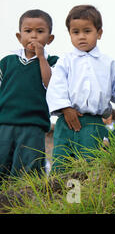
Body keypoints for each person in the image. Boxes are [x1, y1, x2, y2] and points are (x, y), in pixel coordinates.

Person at [46, 5, 115, 171]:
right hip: (66, 121)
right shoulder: (65, 61)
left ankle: (83, 196)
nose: (81, 37)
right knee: (62, 161)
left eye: (87, 31)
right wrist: (65, 108)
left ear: (99, 33)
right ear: (70, 34)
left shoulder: (108, 63)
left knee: (89, 163)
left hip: (94, 122)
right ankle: (62, 196)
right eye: (76, 32)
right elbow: (56, 86)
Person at [0, 9, 57, 180]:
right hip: (4, 124)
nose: (33, 36)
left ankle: (24, 206)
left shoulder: (53, 62)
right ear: (19, 36)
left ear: (49, 38)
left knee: (27, 172)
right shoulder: (8, 62)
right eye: (28, 31)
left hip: (33, 126)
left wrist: (41, 58)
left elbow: (51, 84)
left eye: (40, 32)